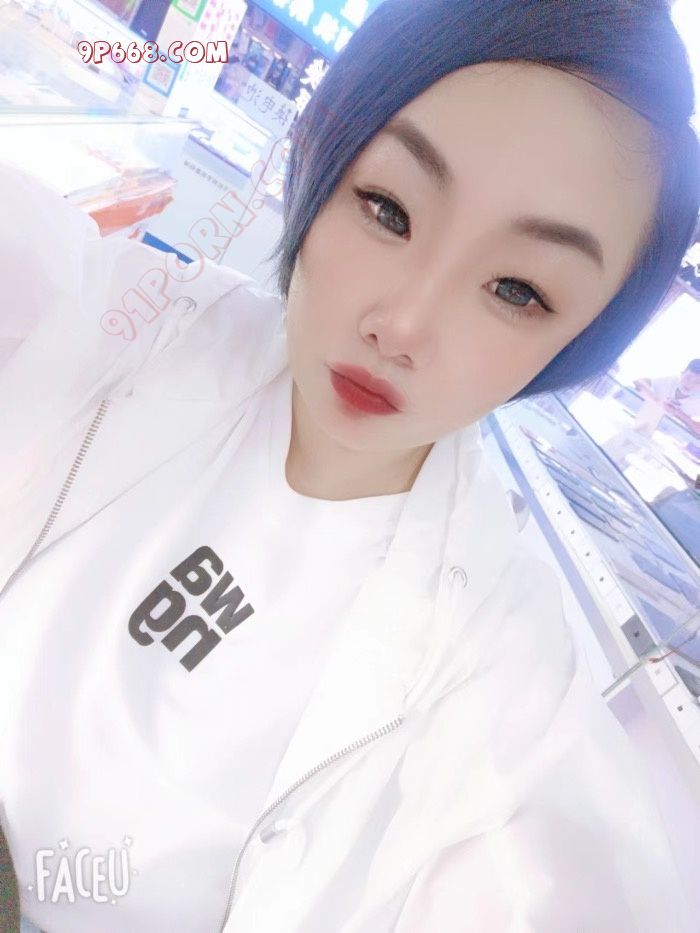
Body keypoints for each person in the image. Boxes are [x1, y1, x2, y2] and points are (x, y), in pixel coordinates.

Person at [1, 1, 699, 931]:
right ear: (322, 159)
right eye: (388, 210)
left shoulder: (498, 696)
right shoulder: (118, 318)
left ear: (578, 344)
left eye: (517, 289)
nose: (401, 325)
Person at [633, 358, 700, 436]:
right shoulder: (671, 381)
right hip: (639, 423)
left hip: (667, 437)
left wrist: (677, 412)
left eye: (698, 382)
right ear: (682, 373)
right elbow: (639, 382)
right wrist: (658, 401)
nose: (690, 384)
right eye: (688, 378)